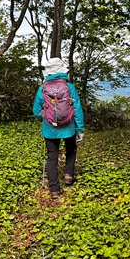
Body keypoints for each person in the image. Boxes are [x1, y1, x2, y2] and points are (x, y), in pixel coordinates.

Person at [33, 57, 85, 199]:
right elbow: (77, 109)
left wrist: (46, 118)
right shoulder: (69, 87)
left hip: (49, 129)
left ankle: (54, 189)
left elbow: (36, 111)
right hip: (69, 128)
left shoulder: (42, 88)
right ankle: (68, 175)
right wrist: (80, 129)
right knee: (71, 149)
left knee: (52, 157)